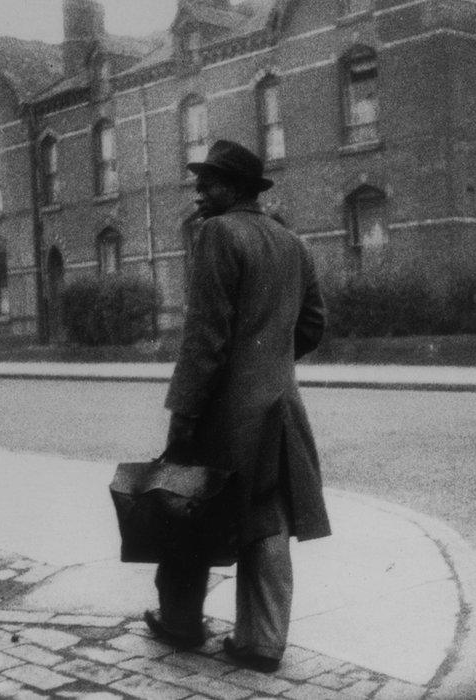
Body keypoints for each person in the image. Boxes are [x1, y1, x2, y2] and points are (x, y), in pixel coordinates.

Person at [144, 139, 331, 673]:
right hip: (279, 407)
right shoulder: (292, 241)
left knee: (188, 505)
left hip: (225, 413)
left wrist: (184, 415)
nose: (199, 191)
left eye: (210, 182)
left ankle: (180, 620)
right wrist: (268, 361)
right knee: (265, 517)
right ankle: (263, 642)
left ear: (238, 189)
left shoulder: (216, 234)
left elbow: (205, 337)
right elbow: (313, 324)